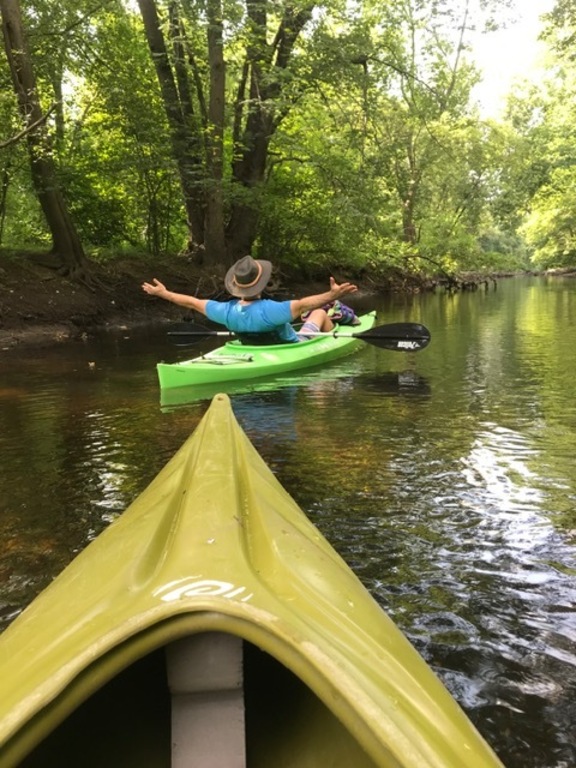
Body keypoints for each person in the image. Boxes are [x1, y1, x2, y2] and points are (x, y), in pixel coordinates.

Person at [142, 255, 359, 343]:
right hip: (293, 345)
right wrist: (332, 295)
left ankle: (336, 313)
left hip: (251, 345)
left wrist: (163, 293)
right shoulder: (272, 310)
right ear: (262, 283)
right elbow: (305, 304)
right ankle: (336, 323)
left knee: (308, 312)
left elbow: (191, 302)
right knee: (319, 312)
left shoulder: (225, 311)